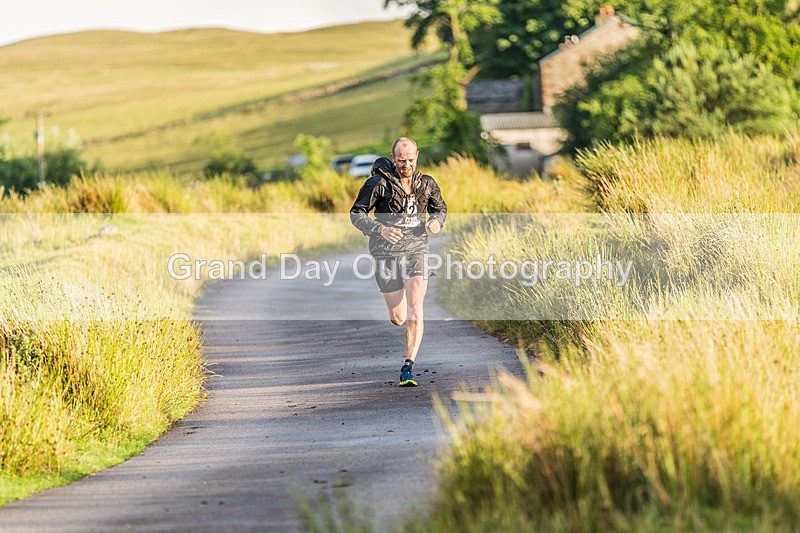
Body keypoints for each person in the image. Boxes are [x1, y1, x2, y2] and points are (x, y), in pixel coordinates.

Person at [350, 137, 447, 387]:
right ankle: (398, 299)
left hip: (416, 250)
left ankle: (408, 366)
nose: (407, 164)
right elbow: (356, 213)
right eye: (402, 160)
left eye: (411, 160)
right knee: (398, 317)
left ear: (417, 156)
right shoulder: (378, 184)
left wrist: (436, 221)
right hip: (386, 254)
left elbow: (440, 208)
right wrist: (379, 228)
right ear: (393, 158)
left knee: (416, 306)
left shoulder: (426, 184)